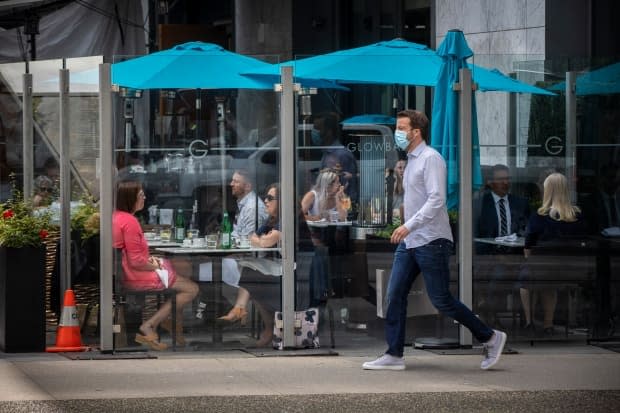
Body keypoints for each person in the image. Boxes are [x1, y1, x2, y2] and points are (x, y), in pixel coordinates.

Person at [363, 109, 506, 371]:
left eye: (402, 128)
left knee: (441, 299)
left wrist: (408, 226)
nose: (398, 133)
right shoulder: (410, 162)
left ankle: (491, 337)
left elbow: (437, 199)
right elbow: (414, 199)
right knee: (394, 296)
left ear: (416, 132)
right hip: (411, 242)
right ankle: (394, 355)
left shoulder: (431, 159)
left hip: (432, 240)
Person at [113, 180, 199, 350]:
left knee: (180, 267)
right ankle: (151, 324)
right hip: (134, 276)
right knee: (191, 288)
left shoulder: (117, 217)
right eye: (140, 195)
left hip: (125, 272)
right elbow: (137, 261)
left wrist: (153, 261)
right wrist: (156, 266)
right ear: (130, 198)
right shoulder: (129, 222)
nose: (144, 197)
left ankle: (169, 318)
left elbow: (134, 257)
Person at [519, 173, 587, 336]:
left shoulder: (539, 216)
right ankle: (548, 324)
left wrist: (530, 262)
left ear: (547, 191)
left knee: (525, 279)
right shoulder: (577, 216)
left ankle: (529, 321)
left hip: (543, 270)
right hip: (572, 270)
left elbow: (528, 247)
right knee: (548, 281)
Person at [474, 164, 531, 327]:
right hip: (490, 257)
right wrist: (495, 255)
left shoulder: (520, 203)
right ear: (490, 182)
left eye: (508, 179)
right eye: (501, 179)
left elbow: (527, 230)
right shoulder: (479, 205)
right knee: (497, 277)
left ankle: (523, 321)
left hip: (516, 258)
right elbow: (475, 237)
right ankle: (490, 316)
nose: (505, 182)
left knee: (524, 277)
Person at [218, 169, 269, 323]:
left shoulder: (252, 208)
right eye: (232, 180)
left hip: (251, 260)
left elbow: (248, 243)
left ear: (247, 186)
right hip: (242, 257)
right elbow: (237, 235)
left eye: (236, 181)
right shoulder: (244, 204)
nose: (231, 184)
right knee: (205, 267)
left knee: (207, 268)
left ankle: (217, 311)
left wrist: (223, 248)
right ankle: (227, 309)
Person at [237, 183, 283, 347]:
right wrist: (262, 239)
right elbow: (253, 237)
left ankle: (241, 308)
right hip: (280, 267)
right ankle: (243, 309)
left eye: (270, 198)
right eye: (265, 197)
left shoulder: (286, 219)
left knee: (250, 275)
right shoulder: (273, 219)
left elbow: (264, 242)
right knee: (250, 273)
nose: (265, 201)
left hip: (294, 273)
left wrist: (263, 240)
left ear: (282, 201)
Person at [301, 168, 349, 306]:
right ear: (327, 184)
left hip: (332, 239)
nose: (339, 186)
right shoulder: (312, 195)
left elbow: (343, 216)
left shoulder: (340, 196)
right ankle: (318, 297)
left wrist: (337, 197)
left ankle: (327, 292)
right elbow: (299, 214)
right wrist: (315, 217)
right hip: (315, 238)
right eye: (336, 183)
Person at [314, 112, 358, 201]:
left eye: (318, 129)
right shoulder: (327, 152)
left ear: (329, 132)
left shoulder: (342, 155)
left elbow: (348, 186)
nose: (315, 133)